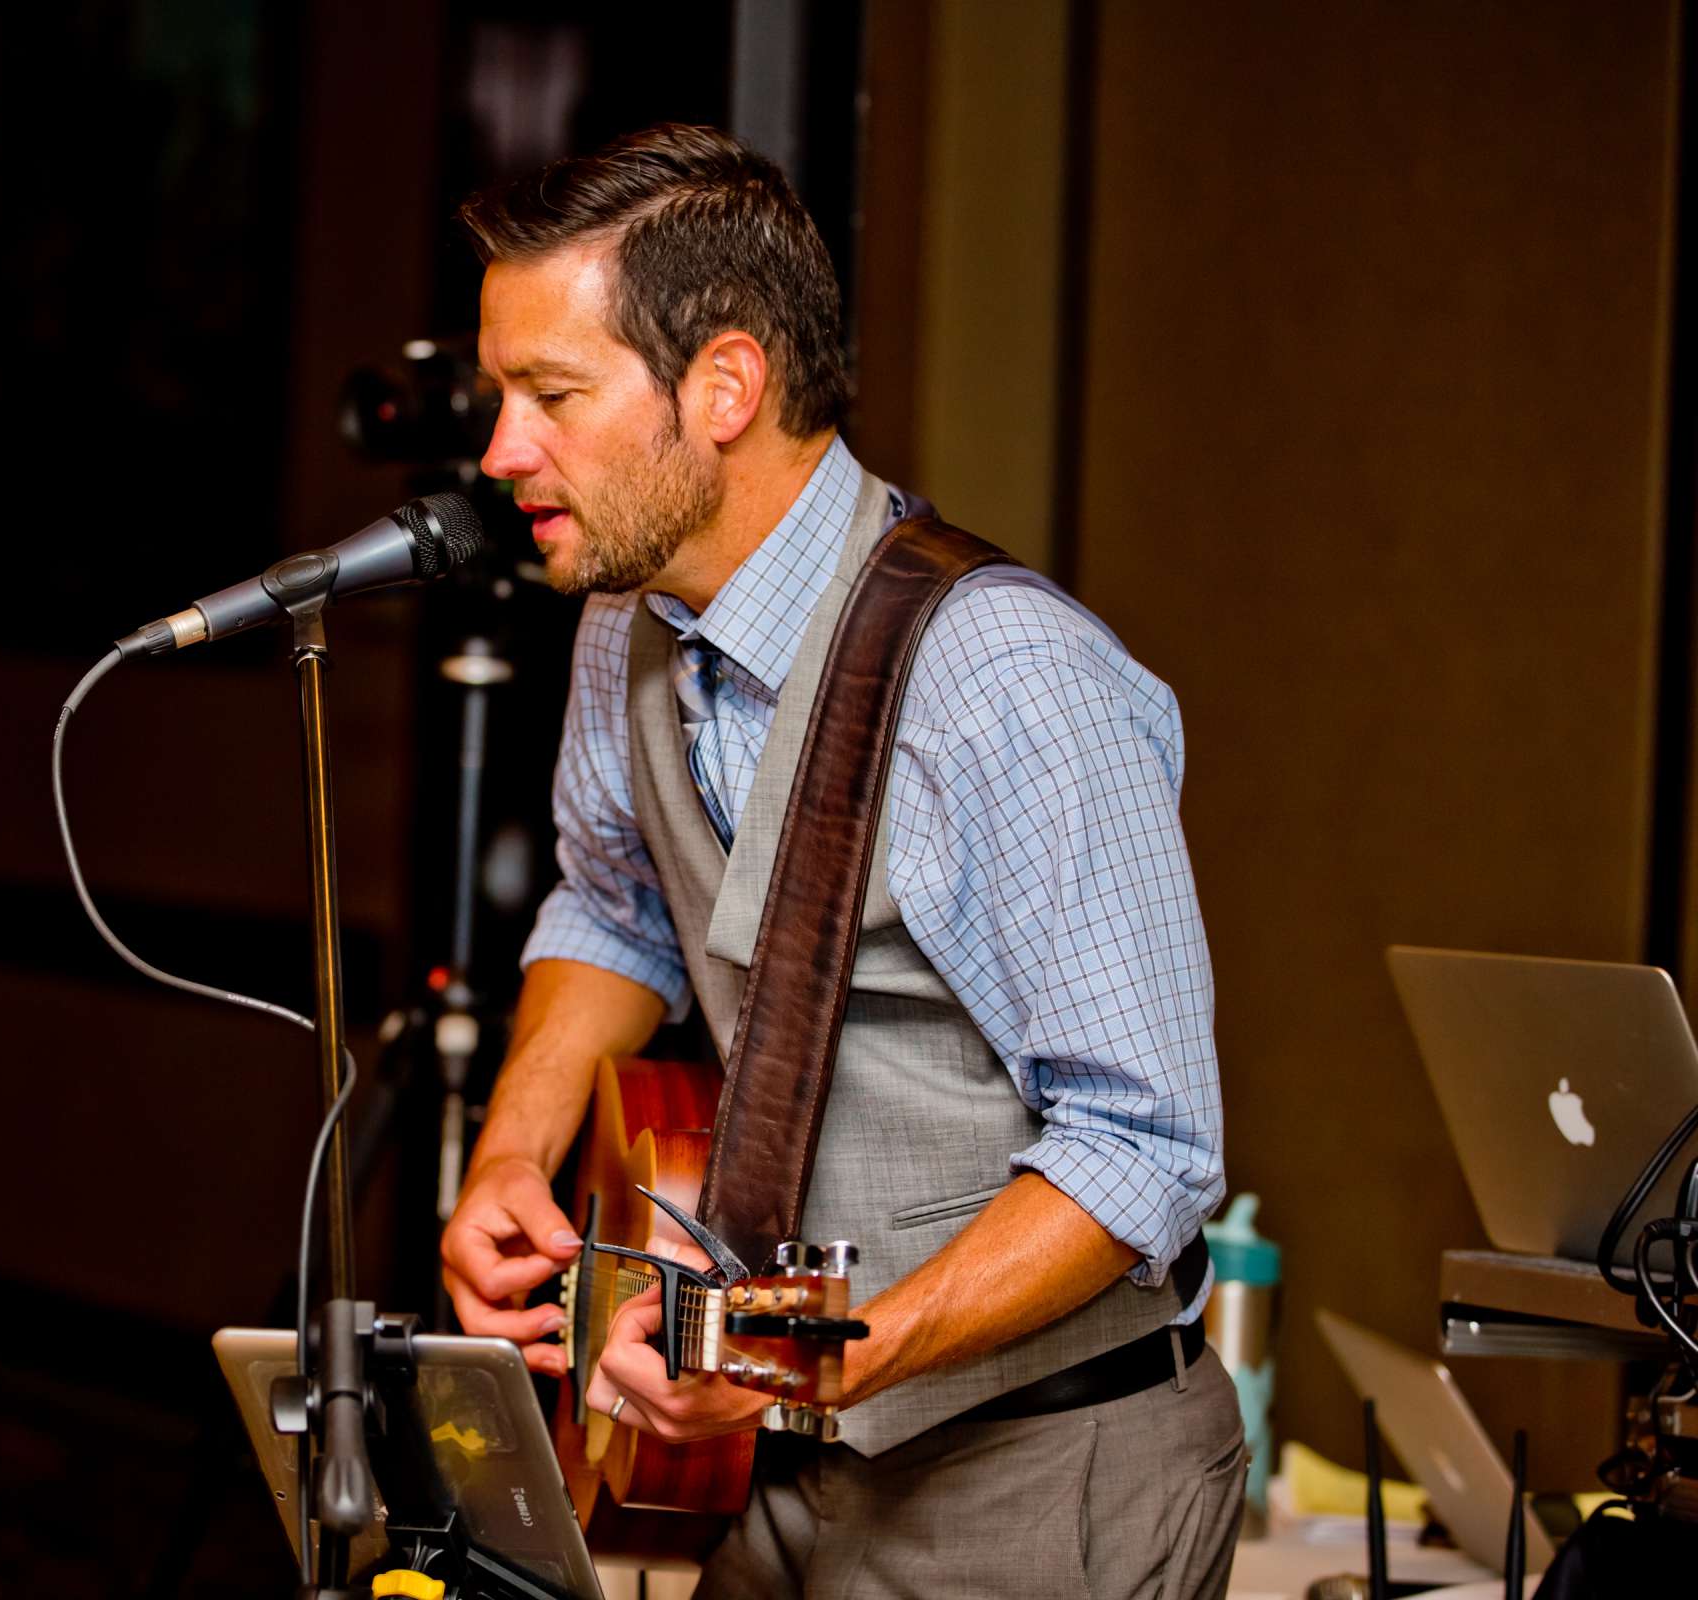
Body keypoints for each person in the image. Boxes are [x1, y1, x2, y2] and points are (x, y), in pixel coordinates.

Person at [437, 124, 1245, 1598]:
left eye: (550, 393)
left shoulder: (1010, 677)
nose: (502, 452)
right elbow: (616, 908)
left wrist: (827, 1361)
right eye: (503, 396)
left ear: (726, 386)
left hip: (1037, 1473)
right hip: (777, 1472)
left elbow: (1145, 1143)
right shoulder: (624, 622)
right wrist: (511, 1152)